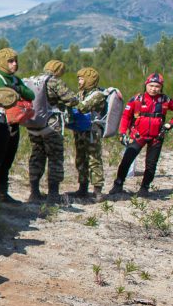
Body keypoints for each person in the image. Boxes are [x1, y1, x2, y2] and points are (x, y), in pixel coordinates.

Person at [0, 47, 34, 203]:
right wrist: (17, 92)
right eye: (10, 61)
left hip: (14, 123)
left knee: (8, 158)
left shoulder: (15, 80)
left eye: (15, 61)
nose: (14, 64)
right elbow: (2, 95)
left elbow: (31, 94)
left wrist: (17, 89)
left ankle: (2, 193)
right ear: (2, 62)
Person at [26, 60, 80, 203]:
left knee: (36, 156)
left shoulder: (33, 80)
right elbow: (72, 100)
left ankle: (34, 192)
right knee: (55, 157)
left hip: (33, 125)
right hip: (51, 126)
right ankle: (53, 194)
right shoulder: (54, 82)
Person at [110, 72, 172, 197]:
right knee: (127, 160)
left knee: (151, 164)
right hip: (138, 136)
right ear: (146, 85)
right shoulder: (137, 99)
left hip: (156, 137)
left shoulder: (165, 100)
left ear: (161, 87)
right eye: (151, 85)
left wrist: (170, 124)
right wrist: (122, 133)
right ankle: (118, 184)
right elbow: (126, 116)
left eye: (157, 86)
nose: (154, 89)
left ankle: (144, 188)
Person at [72, 67, 109, 201]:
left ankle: (97, 191)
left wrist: (69, 103)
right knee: (80, 159)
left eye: (82, 79)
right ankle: (82, 188)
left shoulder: (98, 95)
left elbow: (83, 107)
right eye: (79, 79)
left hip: (92, 132)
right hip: (80, 131)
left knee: (94, 159)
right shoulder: (81, 94)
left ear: (89, 80)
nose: (79, 82)